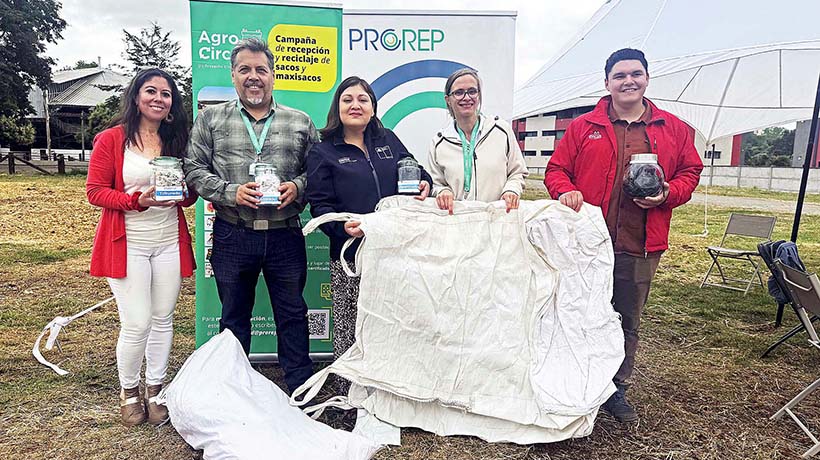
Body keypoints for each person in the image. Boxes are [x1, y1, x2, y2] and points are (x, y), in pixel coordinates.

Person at [545, 48, 703, 422]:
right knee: (580, 314)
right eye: (620, 75)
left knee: (626, 318)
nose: (628, 81)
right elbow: (556, 170)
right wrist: (565, 190)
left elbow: (690, 172)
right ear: (607, 83)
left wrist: (668, 194)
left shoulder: (673, 128)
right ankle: (577, 382)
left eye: (635, 74)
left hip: (640, 244)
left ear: (647, 79)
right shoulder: (584, 127)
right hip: (586, 245)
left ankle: (616, 388)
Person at [184, 38, 315, 393]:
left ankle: (300, 387)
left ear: (273, 75)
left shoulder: (300, 122)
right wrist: (231, 192)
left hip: (285, 234)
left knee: (291, 314)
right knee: (233, 317)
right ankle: (232, 389)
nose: (253, 77)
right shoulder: (210, 119)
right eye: (245, 70)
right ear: (233, 75)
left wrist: (298, 188)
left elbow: (317, 172)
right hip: (233, 232)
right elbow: (193, 169)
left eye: (261, 69)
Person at [306, 76, 432, 391]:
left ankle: (392, 387)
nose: (355, 105)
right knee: (352, 326)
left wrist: (425, 182)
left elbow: (415, 170)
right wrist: (341, 229)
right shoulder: (323, 151)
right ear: (337, 107)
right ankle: (351, 390)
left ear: (373, 107)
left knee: (394, 320)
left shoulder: (388, 139)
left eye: (363, 99)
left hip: (394, 251)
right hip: (351, 253)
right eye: (348, 99)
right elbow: (320, 206)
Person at [86, 68, 195, 427]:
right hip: (127, 244)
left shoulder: (177, 140)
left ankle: (155, 389)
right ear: (136, 97)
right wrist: (137, 200)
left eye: (166, 95)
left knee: (164, 320)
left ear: (172, 104)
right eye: (151, 91)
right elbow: (95, 192)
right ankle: (129, 391)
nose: (159, 99)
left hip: (167, 243)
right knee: (137, 322)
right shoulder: (111, 139)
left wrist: (184, 195)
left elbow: (190, 192)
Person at [428, 68, 528, 214]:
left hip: (497, 219)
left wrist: (511, 190)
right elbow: (436, 183)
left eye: (472, 91)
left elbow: (517, 172)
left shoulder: (501, 130)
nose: (466, 97)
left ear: (479, 96)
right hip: (457, 224)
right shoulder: (439, 142)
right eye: (459, 92)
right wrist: (442, 191)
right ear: (448, 100)